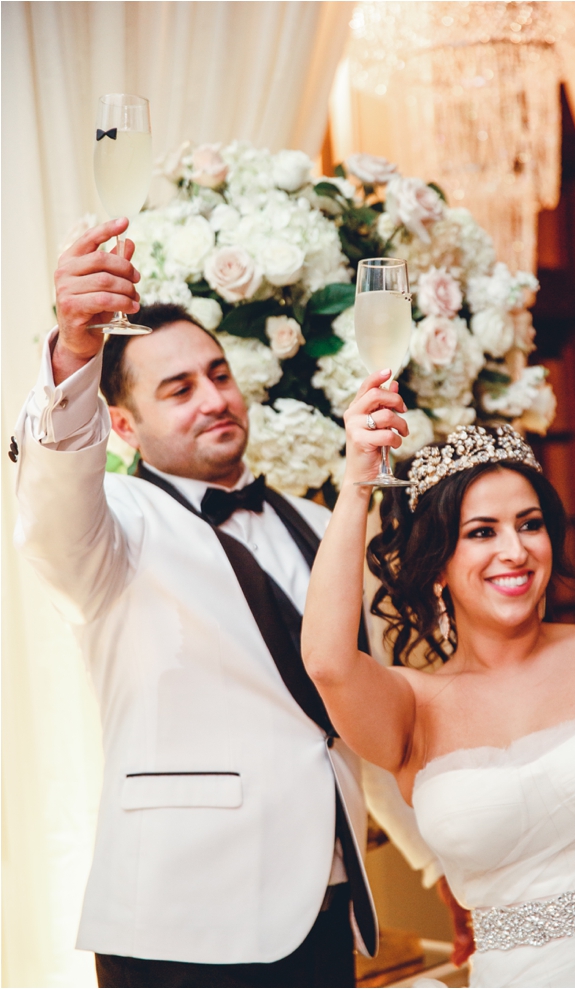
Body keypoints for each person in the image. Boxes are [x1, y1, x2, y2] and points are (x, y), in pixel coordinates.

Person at [13, 216, 387, 989]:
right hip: (179, 922)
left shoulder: (325, 523)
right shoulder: (108, 528)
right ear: (122, 423)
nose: (213, 398)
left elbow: (362, 708)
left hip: (326, 907)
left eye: (218, 374)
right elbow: (51, 502)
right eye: (178, 389)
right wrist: (75, 355)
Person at [301, 369, 575, 989]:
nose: (514, 551)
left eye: (530, 524)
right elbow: (329, 663)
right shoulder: (413, 707)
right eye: (481, 533)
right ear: (438, 563)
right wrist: (358, 482)